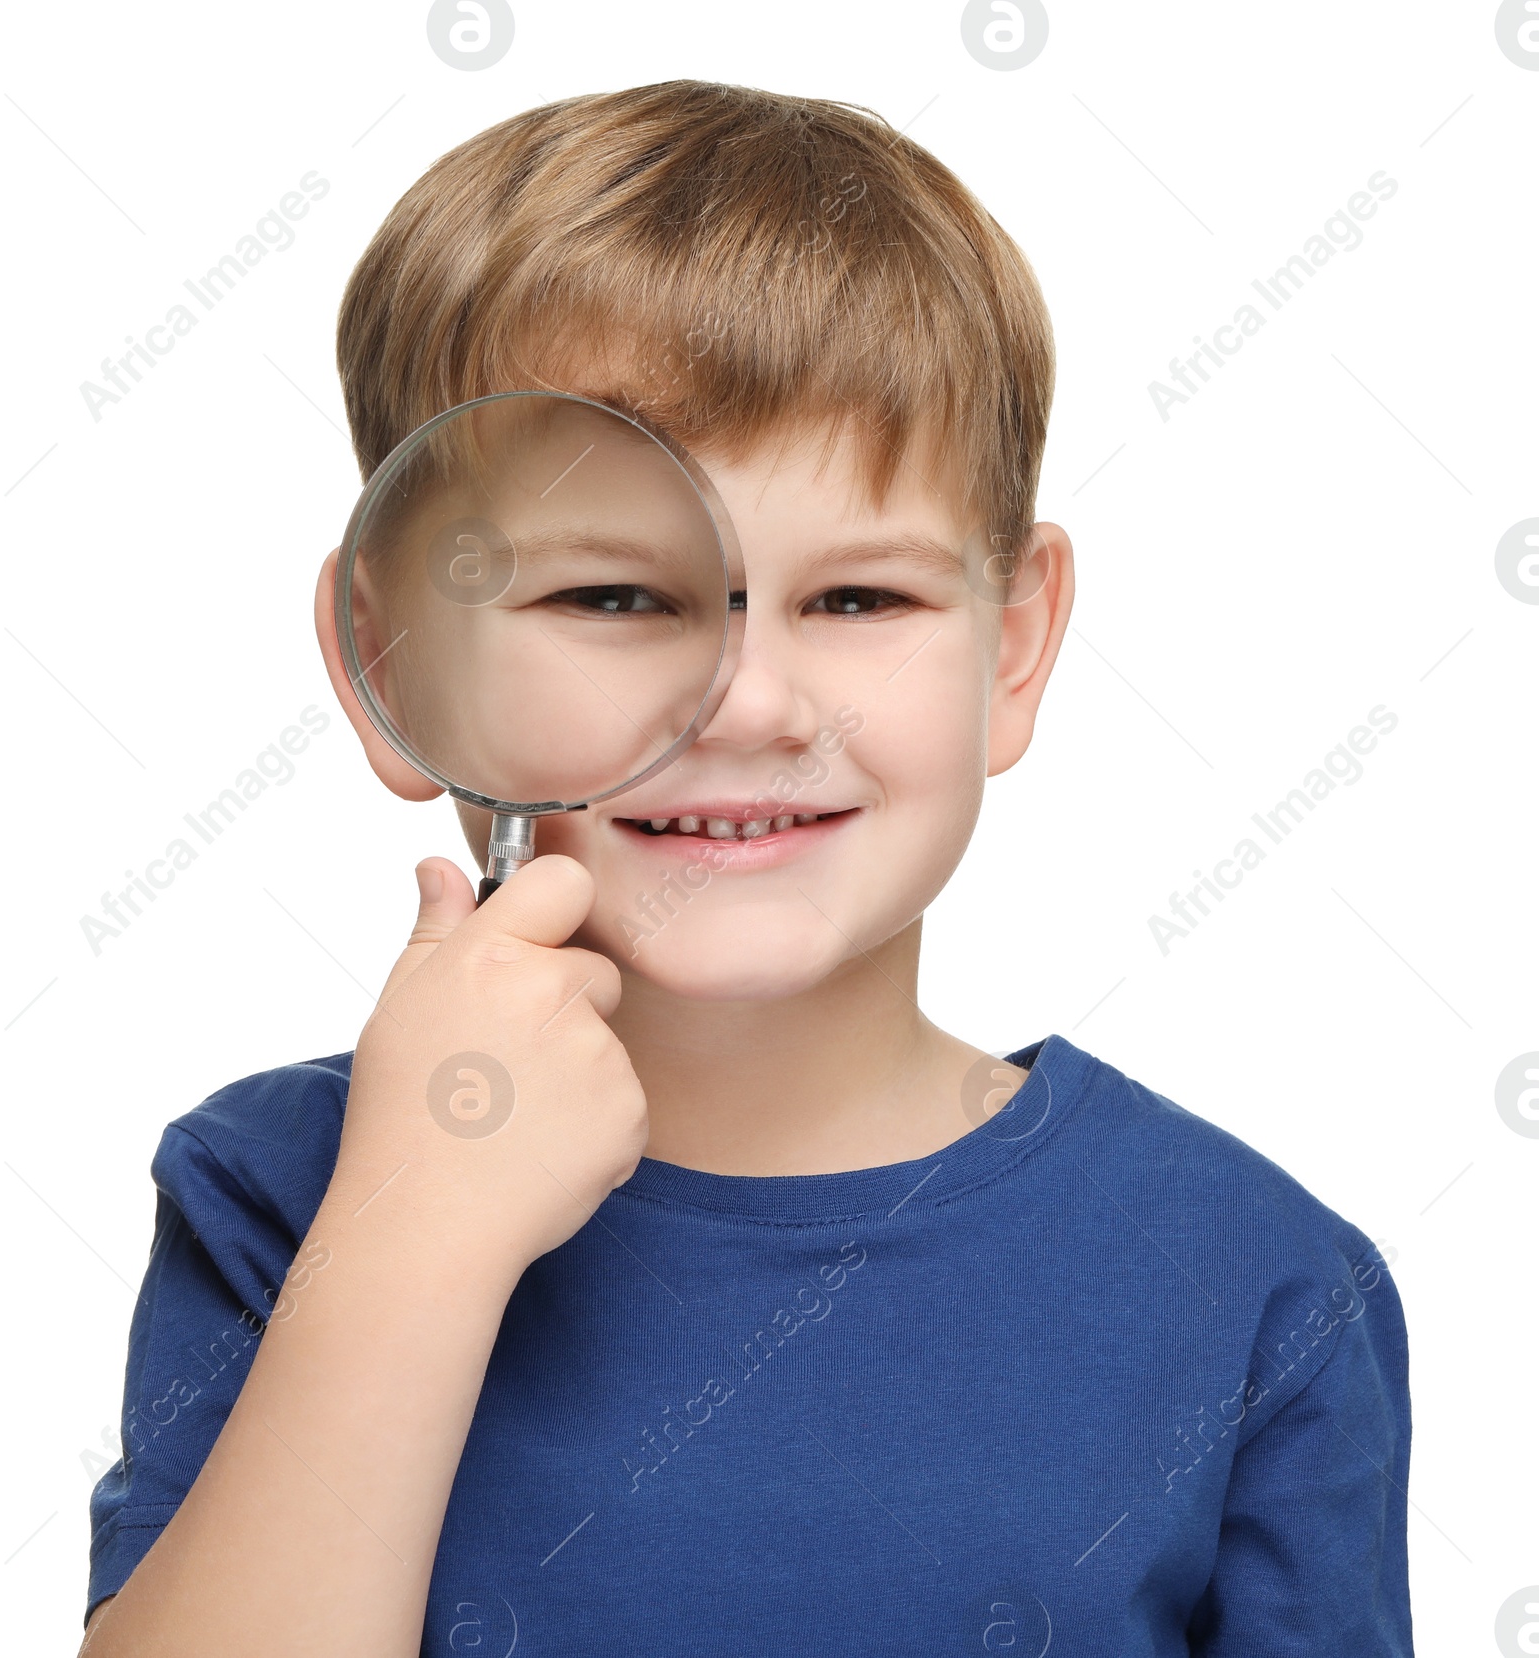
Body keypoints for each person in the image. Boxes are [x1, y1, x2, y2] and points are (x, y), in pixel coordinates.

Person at [78, 80, 1411, 1656]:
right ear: (391, 658)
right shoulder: (283, 1194)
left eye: (856, 600)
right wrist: (413, 1230)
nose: (753, 703)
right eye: (617, 599)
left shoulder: (1255, 1280)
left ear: (1018, 645)